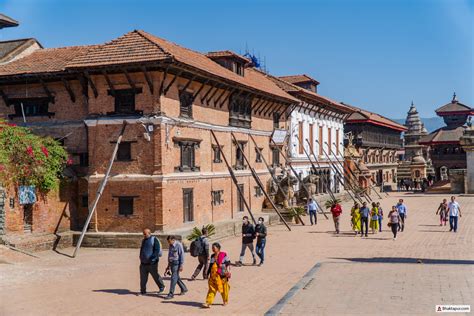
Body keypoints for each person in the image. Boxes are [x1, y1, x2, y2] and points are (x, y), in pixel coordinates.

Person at [202, 242, 231, 308]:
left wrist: (223, 266)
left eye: (214, 248)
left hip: (222, 275)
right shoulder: (212, 256)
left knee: (224, 289)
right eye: (212, 248)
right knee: (211, 289)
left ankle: (225, 301)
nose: (212, 249)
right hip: (213, 276)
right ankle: (208, 303)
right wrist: (207, 273)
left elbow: (228, 263)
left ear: (218, 248)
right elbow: (211, 265)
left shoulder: (224, 255)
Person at [139, 228, 165, 295]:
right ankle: (143, 291)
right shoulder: (143, 240)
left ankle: (161, 287)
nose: (144, 235)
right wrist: (140, 256)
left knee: (155, 276)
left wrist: (152, 258)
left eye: (145, 234)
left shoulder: (154, 239)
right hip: (143, 263)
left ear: (149, 233)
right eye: (143, 234)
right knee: (143, 278)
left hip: (152, 263)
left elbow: (157, 250)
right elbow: (142, 249)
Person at [164, 235, 188, 299]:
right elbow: (169, 255)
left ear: (173, 240)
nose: (169, 243)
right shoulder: (170, 245)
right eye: (168, 242)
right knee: (176, 277)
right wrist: (168, 265)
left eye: (170, 241)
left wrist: (181, 265)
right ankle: (183, 288)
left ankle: (171, 294)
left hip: (176, 263)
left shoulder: (178, 245)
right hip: (172, 263)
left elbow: (182, 255)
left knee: (173, 278)